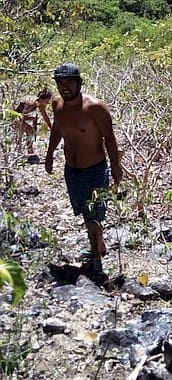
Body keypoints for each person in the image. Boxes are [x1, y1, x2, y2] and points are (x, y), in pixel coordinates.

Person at [45, 62, 122, 275]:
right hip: (72, 170)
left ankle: (95, 257)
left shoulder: (95, 107)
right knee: (83, 211)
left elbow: (110, 139)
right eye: (61, 82)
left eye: (69, 81)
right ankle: (98, 245)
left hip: (95, 169)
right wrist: (50, 154)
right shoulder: (57, 105)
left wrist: (116, 167)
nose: (65, 86)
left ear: (79, 83)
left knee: (94, 214)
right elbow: (57, 129)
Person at [14, 86, 52, 162]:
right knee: (27, 132)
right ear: (42, 99)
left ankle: (28, 152)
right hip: (14, 117)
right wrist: (32, 119)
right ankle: (20, 153)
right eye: (47, 101)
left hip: (20, 118)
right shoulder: (31, 102)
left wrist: (51, 127)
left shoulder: (39, 104)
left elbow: (45, 116)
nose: (48, 103)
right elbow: (20, 115)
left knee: (30, 132)